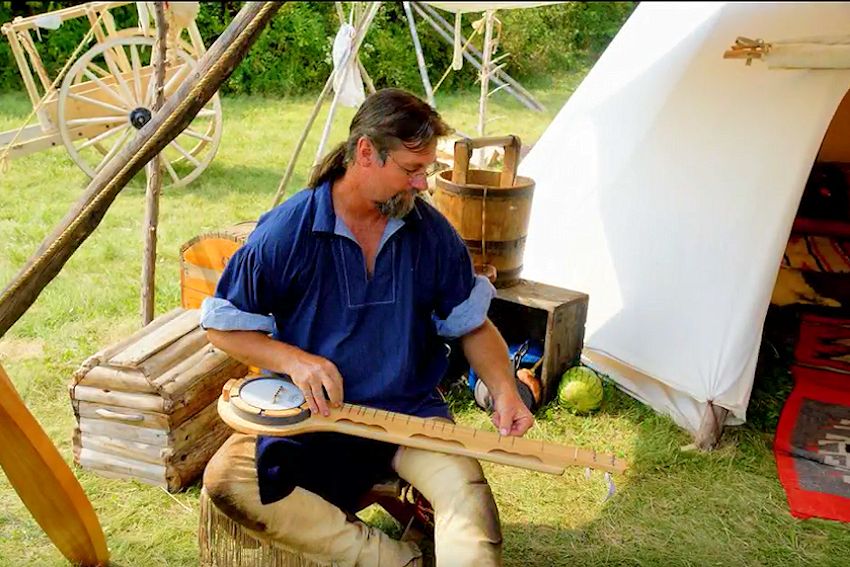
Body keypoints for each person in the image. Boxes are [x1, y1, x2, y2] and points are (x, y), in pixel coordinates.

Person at [200, 88, 534, 567]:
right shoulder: (287, 233)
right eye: (411, 169)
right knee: (229, 482)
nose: (423, 184)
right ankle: (392, 559)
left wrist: (503, 389)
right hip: (316, 418)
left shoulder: (431, 233)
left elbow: (472, 325)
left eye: (426, 169)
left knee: (466, 496)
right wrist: (296, 361)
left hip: (408, 417)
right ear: (364, 153)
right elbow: (223, 326)